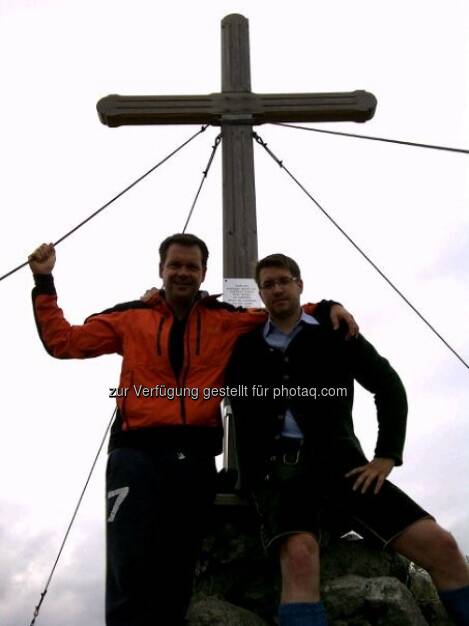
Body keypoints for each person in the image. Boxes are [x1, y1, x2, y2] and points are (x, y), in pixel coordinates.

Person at [28, 234, 357, 626]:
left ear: (203, 273)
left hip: (195, 458)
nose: (183, 272)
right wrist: (44, 282)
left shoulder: (225, 320)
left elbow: (279, 312)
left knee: (178, 568)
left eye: (192, 266)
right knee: (129, 563)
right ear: (161, 269)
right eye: (175, 265)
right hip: (135, 453)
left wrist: (327, 307)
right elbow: (63, 341)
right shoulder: (130, 317)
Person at [226, 253, 469, 626]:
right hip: (279, 476)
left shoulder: (335, 332)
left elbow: (388, 386)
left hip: (345, 467)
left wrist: (387, 455)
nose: (277, 289)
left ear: (299, 284)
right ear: (260, 293)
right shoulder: (244, 349)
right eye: (268, 284)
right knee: (300, 556)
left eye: (284, 280)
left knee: (443, 546)